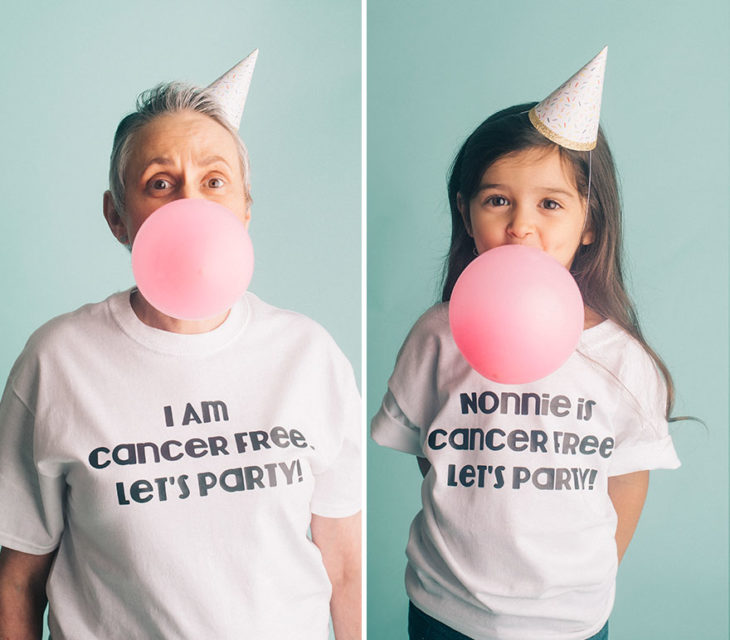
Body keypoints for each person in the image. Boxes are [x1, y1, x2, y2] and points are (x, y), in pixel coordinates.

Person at [0, 52, 361, 640]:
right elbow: (17, 579)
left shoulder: (309, 355)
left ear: (245, 208)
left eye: (214, 181)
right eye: (160, 183)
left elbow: (345, 570)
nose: (190, 202)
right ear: (117, 217)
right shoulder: (55, 362)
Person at [371, 48, 680, 640]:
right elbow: (424, 449)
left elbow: (628, 475)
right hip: (444, 606)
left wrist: (591, 574)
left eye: (550, 204)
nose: (520, 225)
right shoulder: (437, 335)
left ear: (589, 223)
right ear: (466, 214)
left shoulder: (620, 358)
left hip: (570, 619)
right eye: (497, 201)